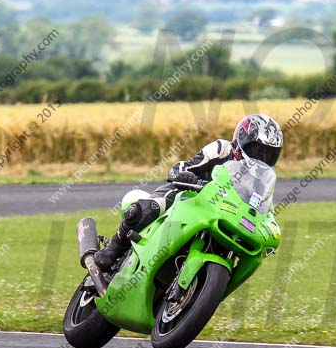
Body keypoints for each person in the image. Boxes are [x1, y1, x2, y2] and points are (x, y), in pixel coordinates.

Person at [94, 113, 283, 271]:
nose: (262, 158)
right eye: (258, 151)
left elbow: (263, 208)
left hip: (225, 214)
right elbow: (183, 167)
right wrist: (185, 176)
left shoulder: (262, 180)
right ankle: (113, 249)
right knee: (149, 207)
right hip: (191, 195)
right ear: (241, 139)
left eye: (269, 154)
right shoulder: (220, 149)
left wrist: (268, 225)